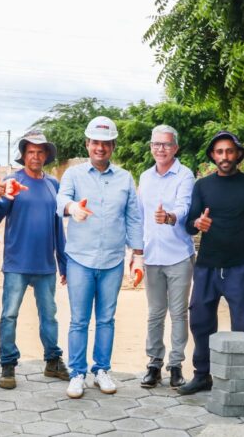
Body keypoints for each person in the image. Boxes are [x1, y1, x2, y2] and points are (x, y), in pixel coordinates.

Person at [56, 116, 144, 399]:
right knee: (79, 320)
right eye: (95, 142)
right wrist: (71, 208)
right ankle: (77, 374)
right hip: (80, 259)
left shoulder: (125, 178)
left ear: (113, 146)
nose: (100, 148)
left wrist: (137, 255)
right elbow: (61, 199)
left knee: (106, 319)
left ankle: (101, 370)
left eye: (106, 143)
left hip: (112, 261)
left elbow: (133, 217)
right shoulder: (74, 175)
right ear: (87, 144)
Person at [179, 131, 244, 395]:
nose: (225, 156)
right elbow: (188, 226)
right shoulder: (202, 186)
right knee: (200, 320)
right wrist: (197, 223)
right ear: (212, 155)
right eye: (219, 152)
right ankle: (202, 374)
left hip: (238, 266)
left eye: (229, 151)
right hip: (207, 266)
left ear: (238, 154)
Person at [0, 131, 69, 389]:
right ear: (23, 156)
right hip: (16, 264)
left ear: (46, 156)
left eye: (40, 152)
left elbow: (58, 228)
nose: (35, 156)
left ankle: (53, 361)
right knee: (9, 315)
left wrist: (62, 262)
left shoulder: (53, 185)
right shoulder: (13, 181)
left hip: (45, 264)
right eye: (30, 152)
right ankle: (8, 365)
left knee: (50, 315)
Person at [137, 124, 195, 389]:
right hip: (151, 256)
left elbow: (184, 207)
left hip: (179, 255)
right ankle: (154, 363)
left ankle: (175, 365)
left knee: (179, 313)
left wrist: (170, 216)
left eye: (166, 144)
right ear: (151, 147)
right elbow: (138, 217)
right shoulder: (145, 177)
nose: (160, 149)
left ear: (176, 148)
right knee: (155, 313)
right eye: (156, 144)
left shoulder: (185, 175)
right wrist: (136, 252)